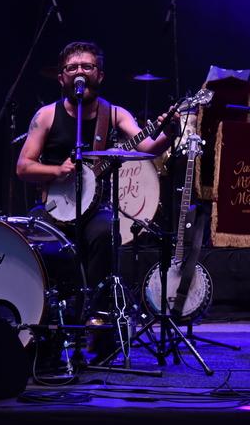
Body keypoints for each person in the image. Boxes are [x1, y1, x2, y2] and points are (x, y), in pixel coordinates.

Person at [16, 40, 178, 304]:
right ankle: (44, 309)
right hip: (53, 208)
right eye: (72, 67)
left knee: (106, 231)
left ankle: (95, 312)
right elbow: (23, 167)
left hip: (94, 210)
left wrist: (168, 133)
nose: (80, 71)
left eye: (87, 66)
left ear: (100, 75)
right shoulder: (46, 115)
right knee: (35, 236)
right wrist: (57, 170)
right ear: (61, 78)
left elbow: (149, 148)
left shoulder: (114, 114)